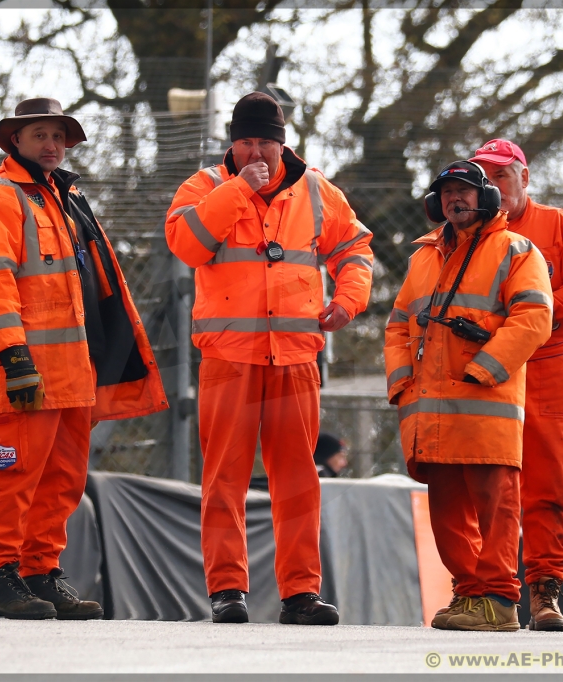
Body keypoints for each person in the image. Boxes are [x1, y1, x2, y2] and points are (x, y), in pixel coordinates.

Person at [166, 92, 373, 625]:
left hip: (296, 358)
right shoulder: (206, 187)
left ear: (283, 142)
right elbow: (186, 245)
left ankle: (301, 594)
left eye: (264, 141)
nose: (254, 150)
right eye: (244, 141)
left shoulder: (317, 190)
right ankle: (227, 590)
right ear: (231, 143)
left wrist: (349, 300)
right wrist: (240, 189)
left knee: (299, 479)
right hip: (229, 357)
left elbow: (355, 250)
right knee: (224, 478)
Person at [0, 98, 168, 619]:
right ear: (16, 141)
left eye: (58, 136)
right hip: (25, 370)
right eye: (39, 135)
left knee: (63, 477)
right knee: (15, 472)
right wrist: (12, 357)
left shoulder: (65, 196)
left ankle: (38, 571)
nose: (51, 145)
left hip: (75, 370)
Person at [383, 160, 552, 631]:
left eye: (465, 191)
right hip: (432, 408)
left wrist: (484, 370)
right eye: (447, 192)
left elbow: (534, 318)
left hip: (487, 403)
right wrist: (401, 383)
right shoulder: (423, 257)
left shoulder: (517, 250)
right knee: (447, 505)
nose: (455, 199)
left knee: (496, 502)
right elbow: (398, 324)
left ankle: (498, 600)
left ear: (487, 199)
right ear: (436, 203)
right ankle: (470, 595)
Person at [469, 139, 563, 631]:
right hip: (485, 368)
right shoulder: (470, 230)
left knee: (547, 479)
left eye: (503, 175)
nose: (495, 186)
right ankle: (486, 591)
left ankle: (545, 591)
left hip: (546, 366)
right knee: (485, 480)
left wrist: (523, 320)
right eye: (486, 177)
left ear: (525, 177)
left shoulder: (560, 225)